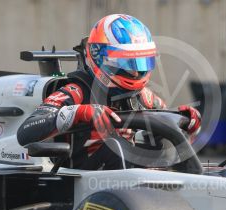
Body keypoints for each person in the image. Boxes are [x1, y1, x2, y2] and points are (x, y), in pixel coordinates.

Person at [17, 14, 201, 170]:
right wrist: (78, 112)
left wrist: (186, 121)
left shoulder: (144, 96)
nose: (136, 72)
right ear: (100, 57)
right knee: (115, 147)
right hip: (83, 181)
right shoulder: (77, 92)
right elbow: (25, 132)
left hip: (131, 183)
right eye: (127, 64)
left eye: (140, 63)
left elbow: (162, 131)